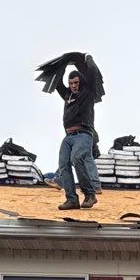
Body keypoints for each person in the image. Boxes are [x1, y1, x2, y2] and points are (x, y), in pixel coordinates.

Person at [42, 52, 104, 210]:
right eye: (71, 83)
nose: (74, 85)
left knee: (77, 158)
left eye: (76, 82)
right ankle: (72, 200)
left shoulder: (87, 92)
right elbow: (57, 84)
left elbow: (92, 75)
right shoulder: (68, 95)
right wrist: (61, 65)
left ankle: (90, 195)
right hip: (68, 136)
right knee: (63, 164)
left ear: (80, 82)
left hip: (84, 134)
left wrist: (89, 59)